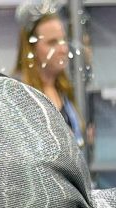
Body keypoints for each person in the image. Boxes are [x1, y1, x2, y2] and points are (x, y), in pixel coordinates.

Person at [14, 3, 85, 147]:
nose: (63, 49)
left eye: (63, 40)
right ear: (31, 48)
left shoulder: (63, 89)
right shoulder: (18, 93)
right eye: (52, 43)